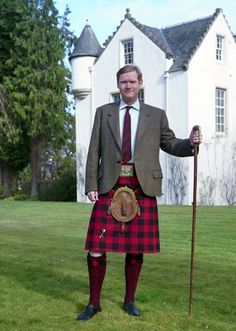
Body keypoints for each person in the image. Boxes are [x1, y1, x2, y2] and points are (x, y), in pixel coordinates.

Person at [77, 64, 202, 321]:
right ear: (118, 85)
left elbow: (169, 143)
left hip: (142, 185)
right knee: (96, 248)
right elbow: (94, 151)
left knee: (135, 248)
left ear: (141, 83)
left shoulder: (155, 115)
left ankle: (130, 300)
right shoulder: (104, 113)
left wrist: (189, 144)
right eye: (123, 82)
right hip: (109, 185)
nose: (128, 86)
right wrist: (91, 183)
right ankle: (94, 303)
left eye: (132, 82)